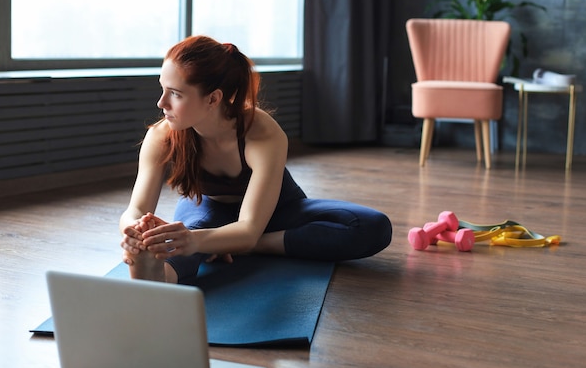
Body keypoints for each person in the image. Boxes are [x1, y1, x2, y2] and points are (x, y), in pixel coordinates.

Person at [119, 35, 392, 284]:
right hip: (208, 210)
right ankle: (157, 275)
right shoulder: (162, 135)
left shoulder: (261, 133)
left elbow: (249, 228)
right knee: (186, 238)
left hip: (277, 213)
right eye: (163, 89)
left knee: (372, 227)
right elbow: (135, 209)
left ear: (213, 98)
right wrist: (137, 233)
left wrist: (204, 242)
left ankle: (238, 245)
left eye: (175, 94)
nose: (161, 103)